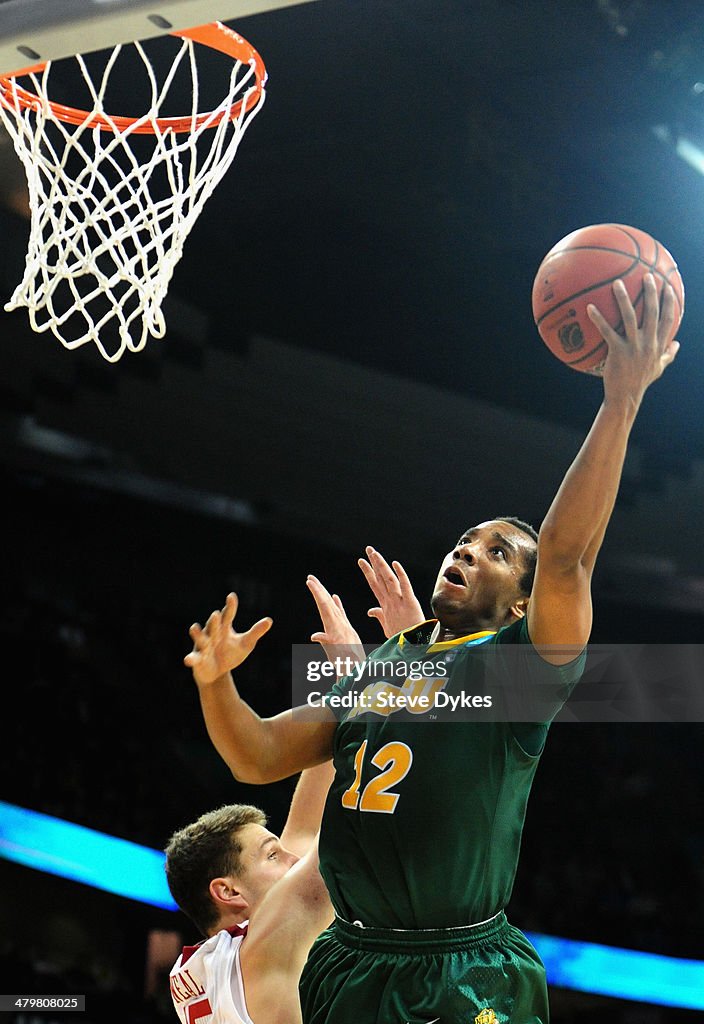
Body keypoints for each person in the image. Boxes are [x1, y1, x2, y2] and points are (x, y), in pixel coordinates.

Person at [184, 274, 678, 1023]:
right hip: (350, 960)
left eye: (498, 553)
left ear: (523, 602)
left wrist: (620, 400)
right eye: (463, 541)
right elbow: (255, 757)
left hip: (462, 966)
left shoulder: (519, 671)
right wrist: (218, 686)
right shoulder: (385, 666)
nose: (469, 552)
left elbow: (569, 554)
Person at [165, 757, 334, 1024]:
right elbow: (339, 846)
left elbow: (304, 830)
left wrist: (337, 722)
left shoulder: (213, 966)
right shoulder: (263, 951)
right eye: (272, 855)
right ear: (228, 892)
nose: (295, 861)